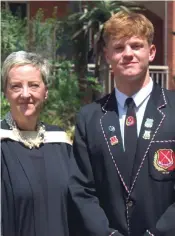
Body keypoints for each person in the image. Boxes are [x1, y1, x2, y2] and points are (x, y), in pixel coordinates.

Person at [69, 11, 175, 236]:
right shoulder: (89, 118)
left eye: (136, 46)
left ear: (152, 52)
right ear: (107, 56)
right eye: (119, 48)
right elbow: (82, 190)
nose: (128, 54)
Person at [1, 51, 74, 236]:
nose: (26, 94)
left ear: (46, 92)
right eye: (16, 86)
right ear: (5, 93)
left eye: (34, 85)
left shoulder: (61, 143)